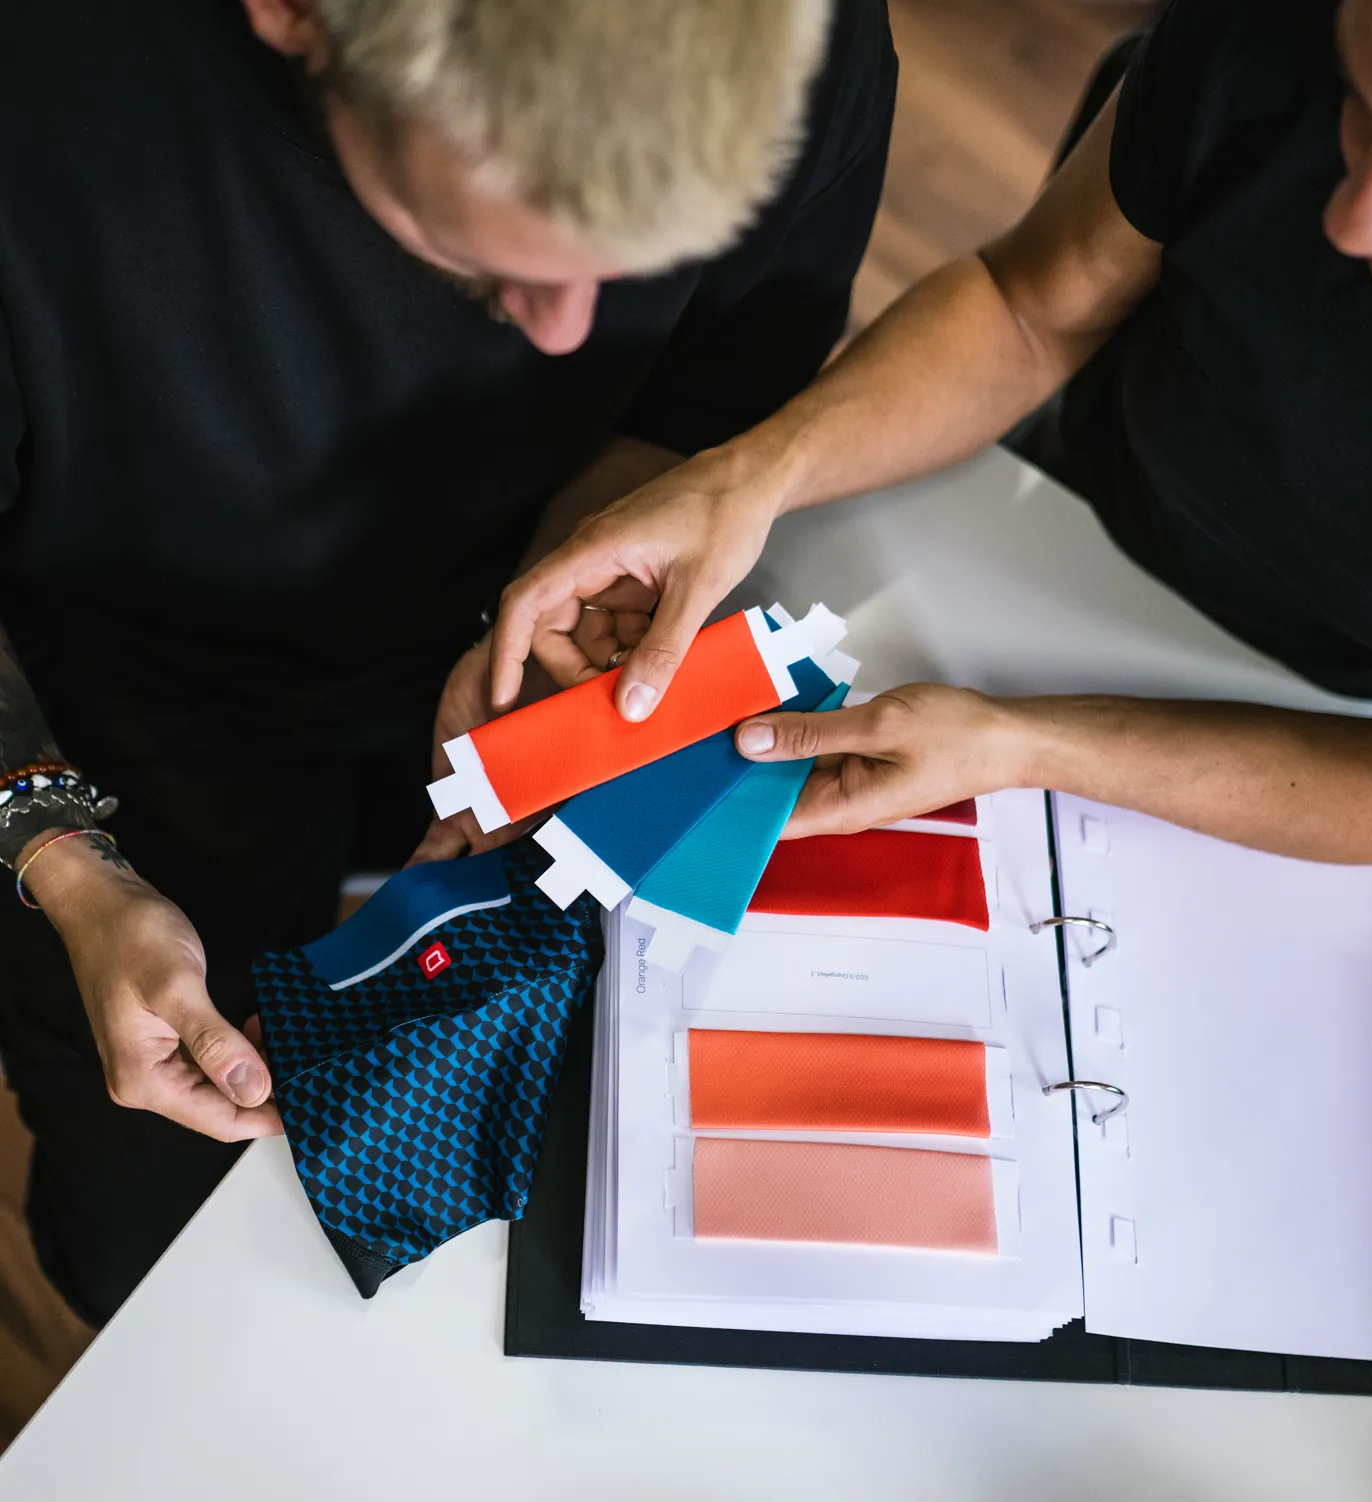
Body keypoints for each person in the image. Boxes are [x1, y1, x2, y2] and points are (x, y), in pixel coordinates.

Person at [0, 0, 894, 1322]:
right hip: (105, 715)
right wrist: (62, 857)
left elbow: (703, 394)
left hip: (525, 661)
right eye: (492, 265)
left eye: (632, 267)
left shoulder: (798, 47)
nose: (563, 335)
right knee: (174, 1272)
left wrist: (572, 558)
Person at [495, 0, 1372, 874]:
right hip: (1056, 488)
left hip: (1328, 721)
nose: (1355, 222)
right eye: (1356, 105)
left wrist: (1027, 744)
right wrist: (749, 470)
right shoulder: (1276, 25)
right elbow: (1025, 305)